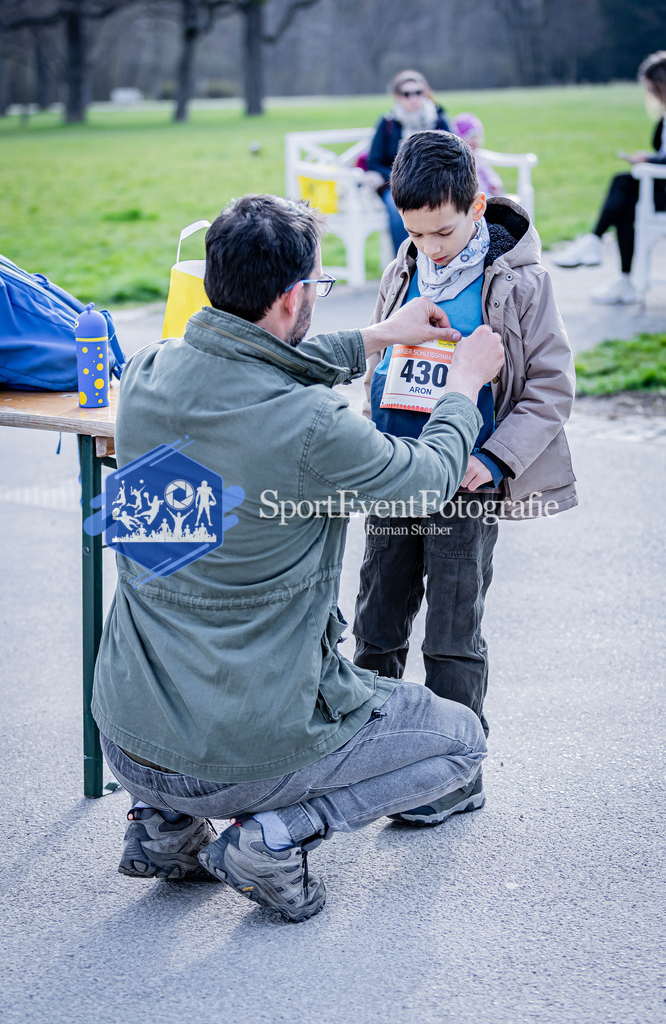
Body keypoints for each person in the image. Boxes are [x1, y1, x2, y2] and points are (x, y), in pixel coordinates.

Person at [92, 193, 505, 923]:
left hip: (128, 732)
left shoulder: (146, 374)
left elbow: (249, 366)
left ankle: (160, 823)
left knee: (174, 589)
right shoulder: (311, 427)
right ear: (291, 299)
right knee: (458, 743)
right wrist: (465, 386)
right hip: (243, 747)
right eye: (314, 287)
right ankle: (272, 837)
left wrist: (376, 336)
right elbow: (424, 480)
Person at [353, 131, 577, 825]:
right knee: (375, 623)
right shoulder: (405, 265)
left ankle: (455, 772)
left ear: (476, 206)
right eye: (416, 233)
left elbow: (550, 389)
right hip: (394, 474)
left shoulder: (521, 284)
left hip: (466, 485)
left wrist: (492, 459)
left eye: (443, 231)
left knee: (451, 634)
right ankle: (363, 755)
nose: (432, 247)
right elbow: (384, 361)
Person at [552, 51, 666, 304]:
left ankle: (594, 243)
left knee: (622, 182)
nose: (651, 95)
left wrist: (649, 161)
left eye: (652, 89)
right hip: (658, 185)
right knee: (625, 206)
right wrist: (650, 158)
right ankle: (623, 281)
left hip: (661, 188)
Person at [365, 70, 451, 253]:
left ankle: (441, 259)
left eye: (418, 92)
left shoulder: (438, 119)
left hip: (435, 182)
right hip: (397, 185)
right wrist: (400, 179)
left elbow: (454, 154)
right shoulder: (388, 123)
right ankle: (405, 263)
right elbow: (374, 162)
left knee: (449, 206)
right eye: (407, 94)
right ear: (397, 96)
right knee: (399, 209)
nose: (413, 98)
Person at [452, 112, 505, 199]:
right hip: (471, 197)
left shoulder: (479, 157)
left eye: (476, 137)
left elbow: (488, 173)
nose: (475, 141)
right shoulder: (460, 159)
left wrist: (494, 185)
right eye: (470, 137)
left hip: (487, 195)